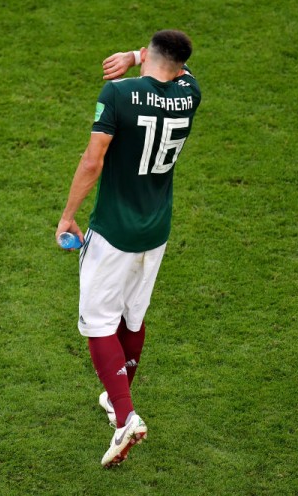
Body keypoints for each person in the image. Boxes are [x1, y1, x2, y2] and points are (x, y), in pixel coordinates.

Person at [55, 30, 201, 468]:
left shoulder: (118, 94)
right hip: (156, 230)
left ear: (148, 54)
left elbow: (92, 161)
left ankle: (125, 418)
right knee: (132, 317)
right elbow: (182, 69)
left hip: (114, 231)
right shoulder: (190, 94)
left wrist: (67, 216)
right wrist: (139, 55)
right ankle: (117, 397)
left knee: (98, 322)